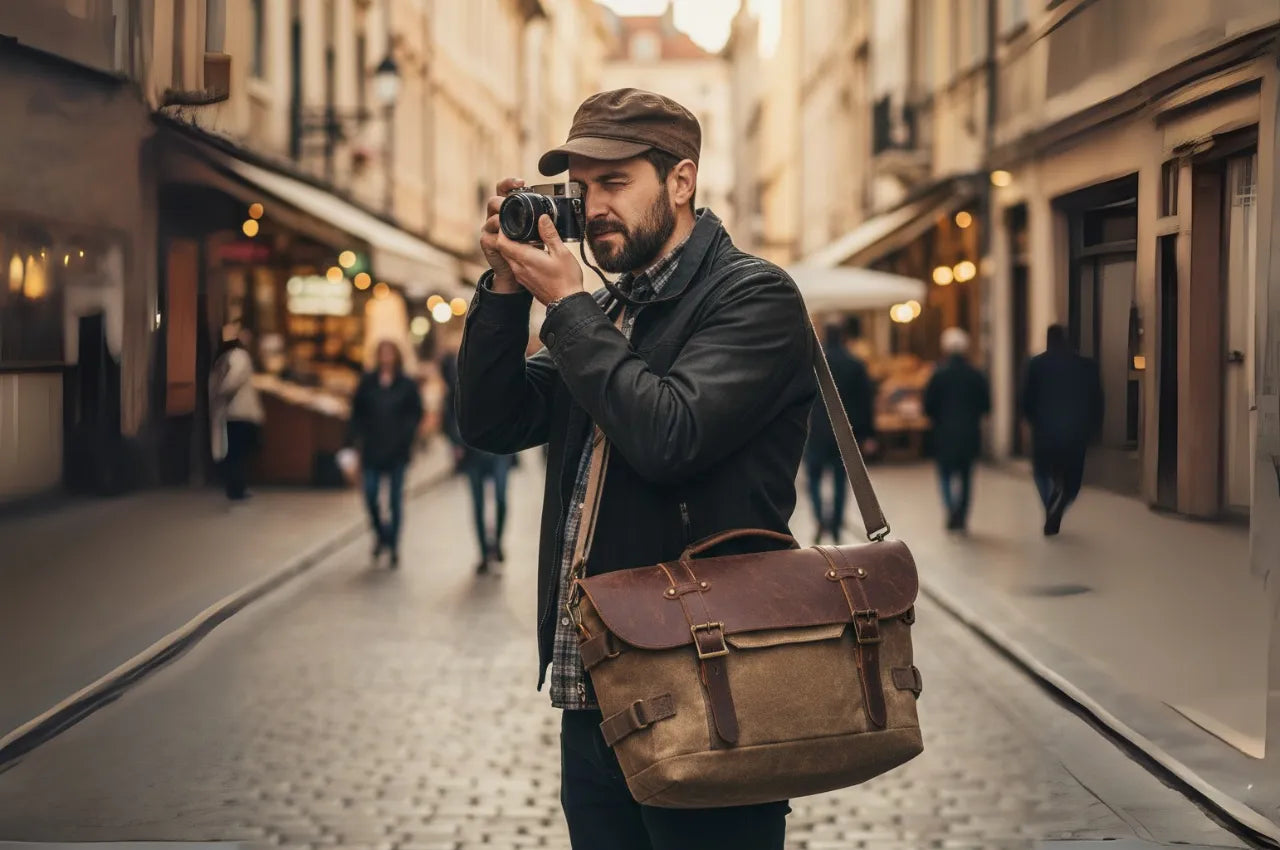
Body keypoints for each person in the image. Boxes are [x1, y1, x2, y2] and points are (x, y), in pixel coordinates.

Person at [456, 88, 814, 849]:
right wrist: (504, 287)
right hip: (594, 692)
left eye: (614, 183)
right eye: (581, 189)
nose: (593, 208)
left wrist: (568, 306)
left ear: (680, 181)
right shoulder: (612, 311)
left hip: (707, 685)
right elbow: (493, 420)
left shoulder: (753, 297)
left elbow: (670, 434)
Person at [346, 339, 424, 568]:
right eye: (383, 353)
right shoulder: (368, 382)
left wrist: (406, 435)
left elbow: (415, 412)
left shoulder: (406, 384)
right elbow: (356, 413)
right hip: (372, 448)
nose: (386, 357)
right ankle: (381, 534)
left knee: (395, 500)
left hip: (398, 451)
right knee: (370, 495)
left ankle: (394, 545)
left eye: (390, 353)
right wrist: (353, 442)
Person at [440, 344, 515, 575]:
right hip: (472, 451)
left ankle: (497, 543)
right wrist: (456, 443)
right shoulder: (460, 379)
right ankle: (483, 553)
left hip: (500, 450)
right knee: (478, 503)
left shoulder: (504, 376)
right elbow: (450, 414)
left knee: (501, 498)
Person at [1022, 324, 1104, 536]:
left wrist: (1031, 421)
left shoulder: (1036, 365)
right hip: (1076, 431)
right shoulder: (1087, 366)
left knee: (1042, 472)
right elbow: (1097, 400)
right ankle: (1059, 503)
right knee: (1073, 480)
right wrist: (1094, 428)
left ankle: (1051, 503)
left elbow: (1026, 399)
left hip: (1045, 430)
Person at [805, 321, 875, 543]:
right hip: (845, 432)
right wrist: (867, 434)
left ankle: (820, 517)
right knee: (840, 479)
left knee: (814, 479)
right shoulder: (855, 364)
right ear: (844, 337)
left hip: (817, 431)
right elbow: (866, 402)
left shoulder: (813, 363)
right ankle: (835, 523)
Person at [923, 328, 990, 532]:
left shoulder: (938, 375)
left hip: (944, 434)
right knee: (966, 477)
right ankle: (961, 514)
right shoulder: (976, 374)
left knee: (945, 475)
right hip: (969, 433)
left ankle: (951, 510)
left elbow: (928, 406)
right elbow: (986, 405)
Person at [210, 326, 264, 502]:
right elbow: (232, 381)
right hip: (239, 412)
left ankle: (236, 486)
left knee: (235, 451)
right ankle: (236, 487)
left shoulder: (224, 358)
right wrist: (221, 391)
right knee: (238, 452)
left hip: (233, 412)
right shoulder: (239, 356)